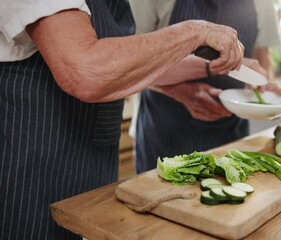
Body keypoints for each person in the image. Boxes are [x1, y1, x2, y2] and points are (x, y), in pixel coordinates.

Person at [0, 0, 245, 239]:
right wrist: (196, 31)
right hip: (30, 170)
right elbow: (86, 71)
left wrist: (180, 91)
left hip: (91, 163)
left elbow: (124, 64)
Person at [129, 0, 281, 173]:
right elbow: (131, 66)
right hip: (164, 131)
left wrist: (265, 87)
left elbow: (262, 55)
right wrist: (180, 93)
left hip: (232, 133)